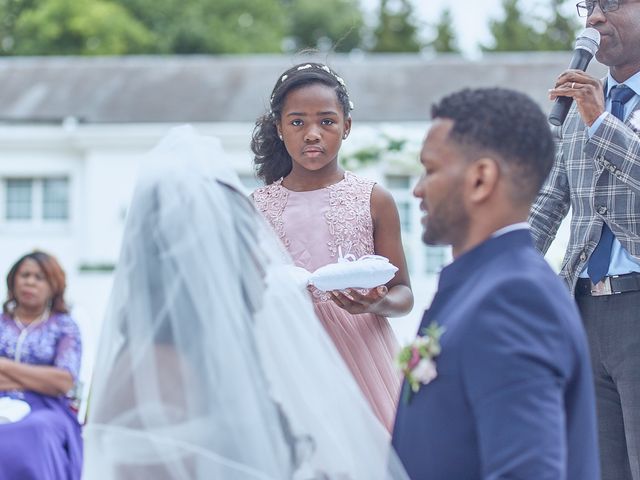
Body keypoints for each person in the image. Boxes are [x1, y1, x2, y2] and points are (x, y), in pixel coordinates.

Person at [83, 126, 409, 480]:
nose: (265, 262)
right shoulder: (153, 376)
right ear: (202, 265)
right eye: (248, 247)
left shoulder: (231, 352)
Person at [392, 88, 600, 479]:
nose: (417, 189)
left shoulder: (515, 298)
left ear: (481, 178)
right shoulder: (487, 282)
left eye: (432, 169)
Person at [251, 62, 413, 431]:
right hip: (285, 355)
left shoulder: (374, 199)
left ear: (347, 126)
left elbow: (404, 291)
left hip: (361, 355)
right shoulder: (256, 206)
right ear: (279, 128)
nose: (312, 134)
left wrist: (379, 302)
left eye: (326, 121)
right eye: (297, 122)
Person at [530, 3, 640, 479]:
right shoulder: (582, 106)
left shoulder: (592, 109)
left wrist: (600, 121)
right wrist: (491, 269)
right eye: (588, 7)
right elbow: (549, 200)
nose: (594, 19)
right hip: (583, 313)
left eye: (611, 2)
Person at [0, 250, 83, 480]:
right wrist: (40, 378)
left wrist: (5, 366)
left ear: (53, 285)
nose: (30, 282)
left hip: (47, 408)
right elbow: (51, 379)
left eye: (39, 277)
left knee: (36, 430)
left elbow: (63, 381)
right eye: (25, 275)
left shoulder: (65, 327)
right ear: (13, 279)